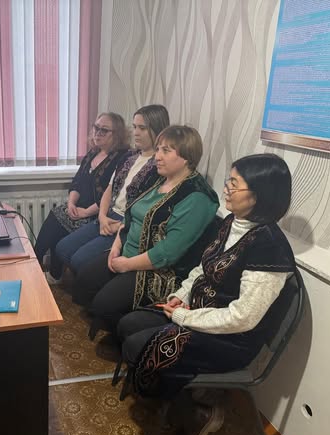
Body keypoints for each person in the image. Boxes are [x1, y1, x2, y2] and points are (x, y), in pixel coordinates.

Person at [117, 153, 295, 435]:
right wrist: (180, 296)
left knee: (138, 346)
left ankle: (200, 413)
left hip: (231, 339)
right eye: (229, 181)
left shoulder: (269, 248)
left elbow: (243, 317)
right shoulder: (233, 222)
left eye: (234, 184)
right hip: (199, 311)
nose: (226, 188)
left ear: (259, 195)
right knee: (129, 324)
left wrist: (184, 317)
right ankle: (195, 394)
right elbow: (203, 268)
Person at [72, 125, 219, 333]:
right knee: (84, 280)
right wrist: (116, 248)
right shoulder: (157, 179)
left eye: (166, 151)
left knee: (104, 304)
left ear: (187, 157)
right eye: (158, 149)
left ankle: (125, 334)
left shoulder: (197, 197)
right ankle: (109, 321)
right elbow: (129, 216)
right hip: (126, 252)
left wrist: (127, 265)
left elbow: (168, 252)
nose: (157, 156)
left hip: (157, 269)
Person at [54, 105, 169, 274]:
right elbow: (109, 188)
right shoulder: (129, 157)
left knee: (80, 260)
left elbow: (149, 209)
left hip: (127, 222)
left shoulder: (159, 165)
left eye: (142, 128)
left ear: (158, 130)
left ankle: (88, 282)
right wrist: (102, 216)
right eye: (135, 127)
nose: (136, 133)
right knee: (62, 248)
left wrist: (121, 226)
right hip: (108, 214)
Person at [34, 112, 129, 280]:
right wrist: (71, 203)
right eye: (96, 128)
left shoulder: (121, 158)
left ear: (117, 134)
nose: (97, 133)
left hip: (97, 214)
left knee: (58, 222)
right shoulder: (93, 153)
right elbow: (77, 182)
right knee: (58, 214)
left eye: (104, 130)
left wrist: (85, 212)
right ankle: (40, 263)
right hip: (80, 208)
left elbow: (112, 194)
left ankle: (42, 266)